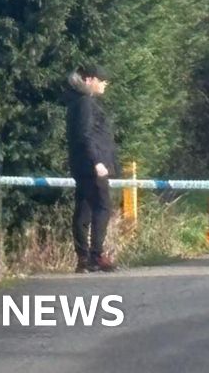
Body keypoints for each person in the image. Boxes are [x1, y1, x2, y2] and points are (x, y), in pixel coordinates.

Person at [66, 65, 119, 273]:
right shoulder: (86, 103)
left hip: (81, 164)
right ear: (89, 80)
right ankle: (96, 255)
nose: (105, 83)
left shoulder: (76, 102)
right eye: (101, 79)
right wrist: (97, 161)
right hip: (91, 165)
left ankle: (83, 259)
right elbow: (86, 135)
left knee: (84, 208)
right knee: (102, 206)